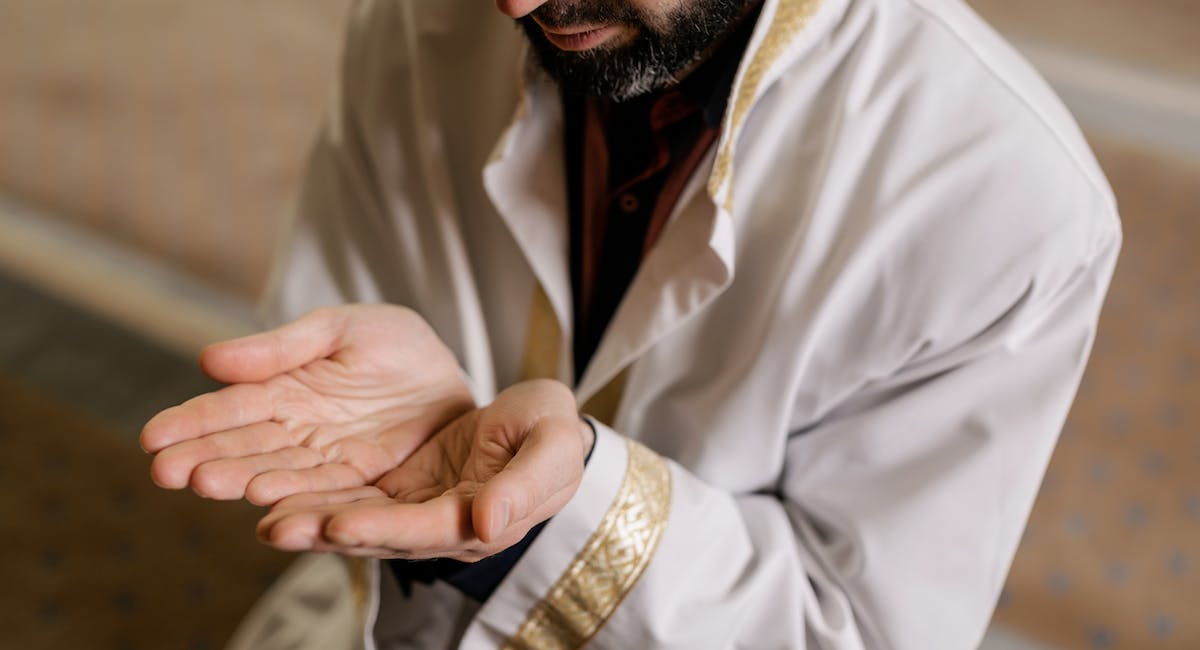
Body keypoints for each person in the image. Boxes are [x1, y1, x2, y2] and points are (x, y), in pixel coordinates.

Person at [140, 0, 1121, 647]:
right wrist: (412, 459)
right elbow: (328, 390)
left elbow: (858, 628)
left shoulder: (1007, 198)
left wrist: (560, 514)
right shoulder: (417, 20)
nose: (518, 2)